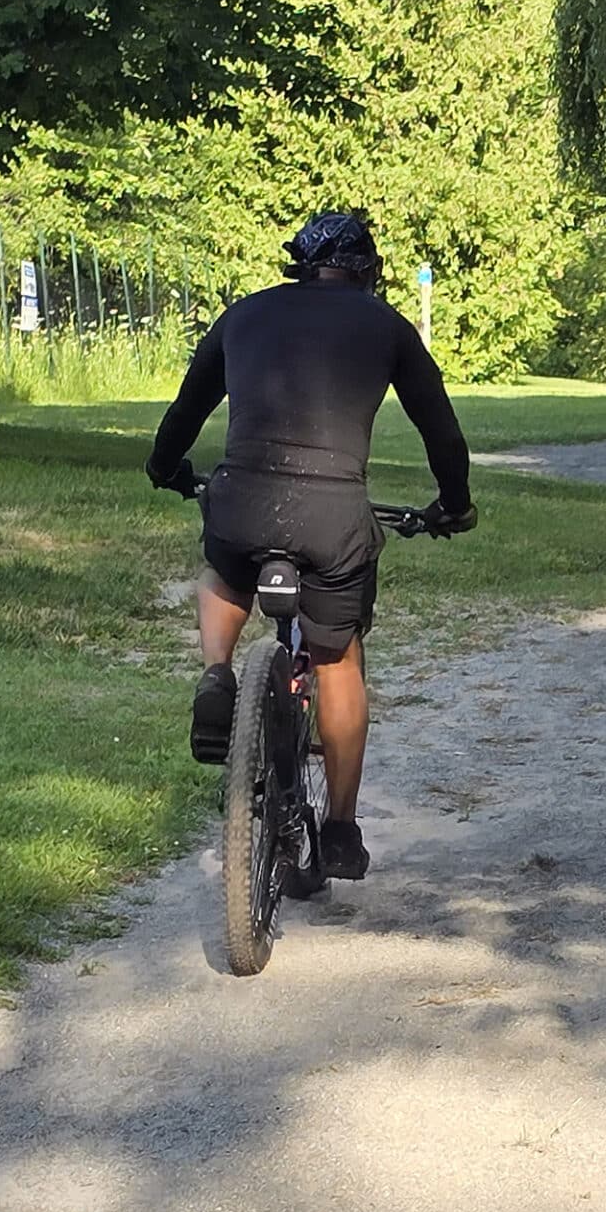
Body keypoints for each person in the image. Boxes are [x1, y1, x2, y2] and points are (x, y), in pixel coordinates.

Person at [145, 210, 476, 882]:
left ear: (300, 264)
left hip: (241, 501)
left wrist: (166, 468)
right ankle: (343, 829)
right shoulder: (387, 327)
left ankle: (217, 671)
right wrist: (454, 504)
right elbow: (441, 430)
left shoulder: (243, 315)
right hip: (333, 517)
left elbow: (185, 410)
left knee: (221, 575)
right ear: (366, 272)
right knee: (338, 655)